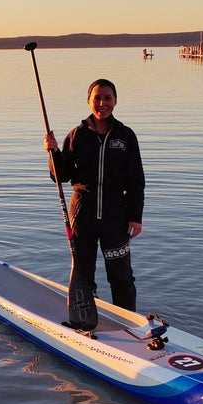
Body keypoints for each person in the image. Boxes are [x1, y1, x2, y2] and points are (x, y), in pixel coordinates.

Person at [44, 78, 144, 311]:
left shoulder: (126, 136)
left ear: (115, 101)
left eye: (107, 98)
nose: (102, 103)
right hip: (82, 216)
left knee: (121, 277)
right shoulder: (77, 135)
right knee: (83, 274)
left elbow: (136, 180)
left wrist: (135, 216)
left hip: (115, 216)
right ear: (89, 101)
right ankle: (85, 317)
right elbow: (61, 176)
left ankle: (128, 323)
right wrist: (54, 153)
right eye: (97, 98)